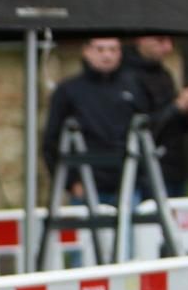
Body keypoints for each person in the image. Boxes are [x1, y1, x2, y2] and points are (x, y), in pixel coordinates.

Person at [42, 37, 146, 206]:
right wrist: (70, 183)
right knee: (87, 232)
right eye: (100, 49)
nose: (107, 56)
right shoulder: (69, 90)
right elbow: (51, 141)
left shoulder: (133, 86)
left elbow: (146, 132)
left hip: (127, 183)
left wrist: (141, 177)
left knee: (127, 231)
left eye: (113, 50)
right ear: (86, 51)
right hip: (86, 185)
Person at [122, 35, 188, 198]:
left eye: (170, 41)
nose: (168, 48)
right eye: (160, 41)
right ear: (141, 40)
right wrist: (176, 108)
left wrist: (187, 109)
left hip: (174, 168)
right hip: (146, 171)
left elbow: (178, 127)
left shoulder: (164, 74)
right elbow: (139, 128)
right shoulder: (127, 77)